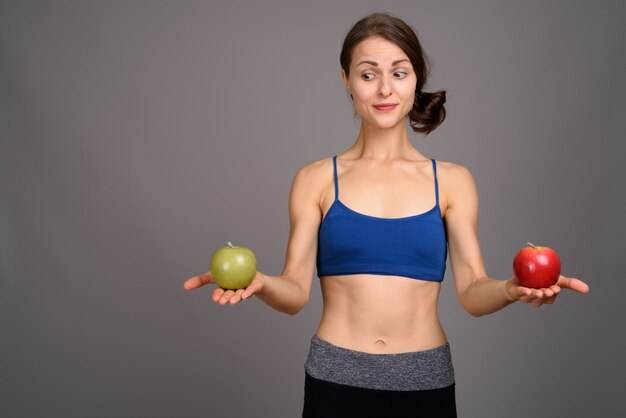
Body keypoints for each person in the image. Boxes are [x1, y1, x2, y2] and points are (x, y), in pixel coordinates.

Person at [183, 12, 590, 418]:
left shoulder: (452, 181)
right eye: (367, 74)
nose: (384, 89)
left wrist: (512, 288)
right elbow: (295, 292)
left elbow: (471, 292)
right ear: (346, 79)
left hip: (425, 381)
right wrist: (261, 282)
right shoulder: (315, 179)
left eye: (399, 73)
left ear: (416, 80)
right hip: (333, 380)